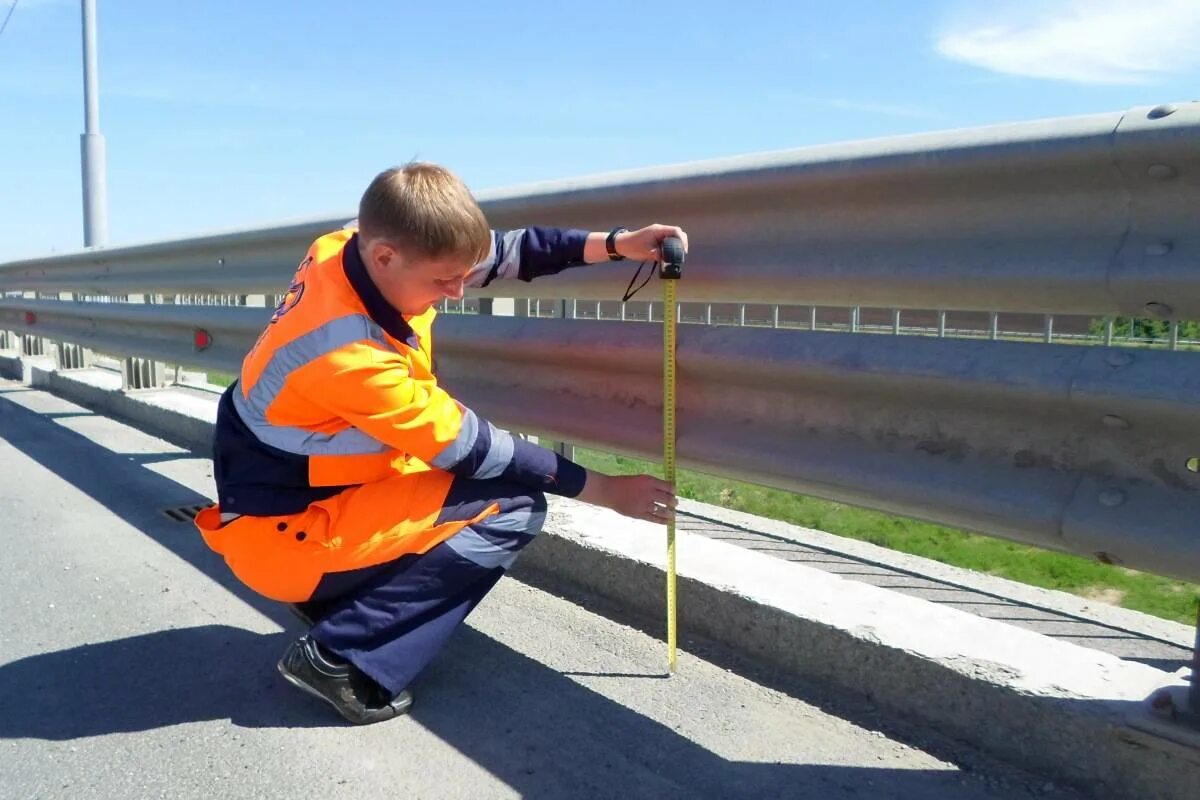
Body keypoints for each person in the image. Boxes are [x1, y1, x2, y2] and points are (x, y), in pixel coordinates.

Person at [194, 162, 687, 725]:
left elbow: (503, 253)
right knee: (512, 505)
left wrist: (620, 245)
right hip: (284, 536)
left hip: (292, 503)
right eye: (442, 281)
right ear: (385, 256)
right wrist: (604, 490)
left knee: (457, 487)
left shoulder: (352, 250)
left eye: (460, 275)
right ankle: (338, 658)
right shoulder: (348, 356)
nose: (457, 291)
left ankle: (337, 602)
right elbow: (477, 450)